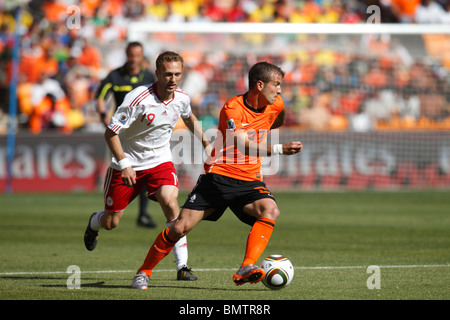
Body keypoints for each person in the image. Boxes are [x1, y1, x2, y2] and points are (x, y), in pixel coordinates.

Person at [130, 62, 303, 289]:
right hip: (219, 177)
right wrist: (280, 149)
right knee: (179, 228)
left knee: (270, 210)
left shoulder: (276, 104)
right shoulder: (233, 107)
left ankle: (247, 266)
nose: (280, 90)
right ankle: (143, 272)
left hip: (250, 179)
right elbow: (243, 145)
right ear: (260, 85)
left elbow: (277, 117)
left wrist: (267, 127)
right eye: (276, 85)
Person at [84, 51, 212, 281]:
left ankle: (182, 266)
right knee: (112, 222)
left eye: (177, 74)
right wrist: (124, 165)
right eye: (168, 74)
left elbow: (190, 117)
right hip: (128, 163)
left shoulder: (182, 98)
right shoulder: (138, 98)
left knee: (171, 202)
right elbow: (111, 133)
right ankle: (94, 222)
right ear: (157, 74)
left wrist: (205, 142)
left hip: (160, 162)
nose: (173, 79)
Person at [96, 41, 157, 228]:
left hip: (142, 132)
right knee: (119, 169)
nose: (134, 59)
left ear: (142, 55)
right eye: (131, 55)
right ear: (126, 55)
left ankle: (143, 214)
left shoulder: (148, 76)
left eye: (137, 56)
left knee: (146, 171)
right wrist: (104, 118)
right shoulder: (115, 76)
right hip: (120, 133)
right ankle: (110, 209)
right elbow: (100, 98)